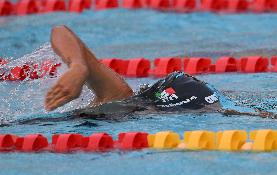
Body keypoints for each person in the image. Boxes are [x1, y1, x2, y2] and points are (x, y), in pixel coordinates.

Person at [45, 25, 220, 113]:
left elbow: (59, 30)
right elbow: (59, 31)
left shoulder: (120, 100)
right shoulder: (120, 98)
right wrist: (78, 67)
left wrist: (78, 66)